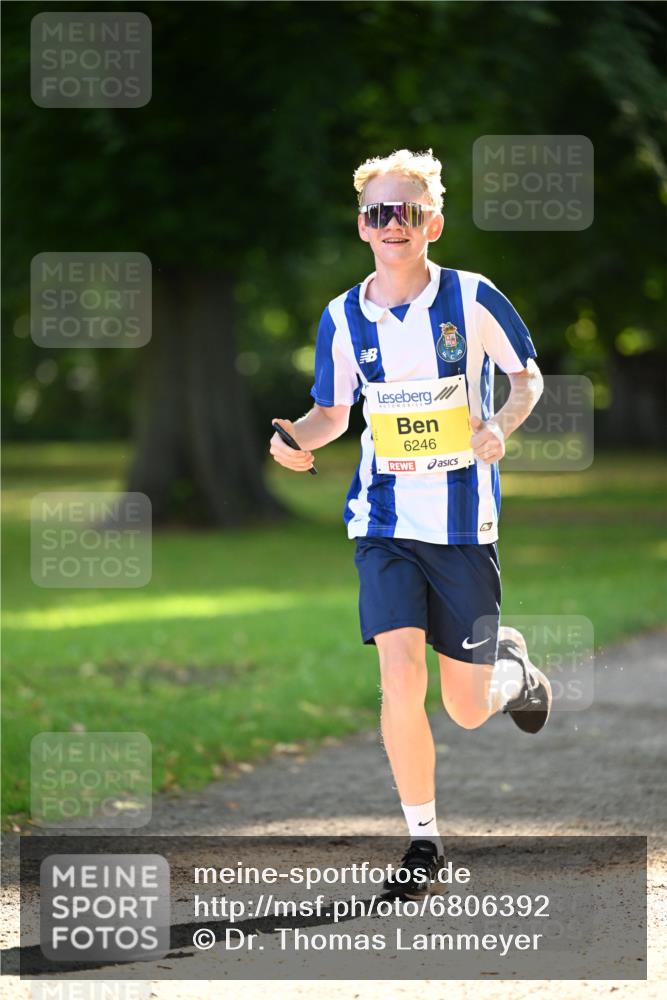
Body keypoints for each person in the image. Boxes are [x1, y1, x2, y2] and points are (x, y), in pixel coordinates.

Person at [269, 148, 551, 899]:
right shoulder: (341, 316)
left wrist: (499, 426)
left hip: (461, 526)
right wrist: (295, 439)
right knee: (398, 674)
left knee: (465, 709)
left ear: (434, 223)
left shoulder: (472, 297)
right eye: (379, 212)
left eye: (408, 211)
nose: (393, 223)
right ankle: (423, 842)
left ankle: (514, 673)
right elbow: (332, 412)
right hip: (383, 520)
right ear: (362, 225)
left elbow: (526, 377)